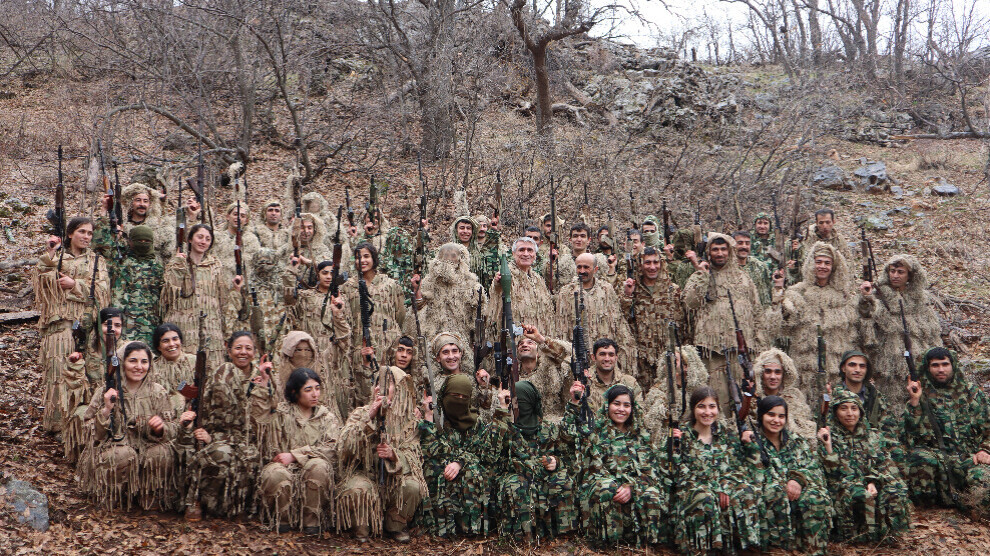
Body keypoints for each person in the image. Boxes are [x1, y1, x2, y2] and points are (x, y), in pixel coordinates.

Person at [77, 341, 182, 511]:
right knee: (122, 454)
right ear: (122, 362)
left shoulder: (158, 392)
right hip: (115, 449)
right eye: (133, 361)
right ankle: (111, 495)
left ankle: (149, 493)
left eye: (144, 362)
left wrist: (161, 428)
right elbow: (89, 432)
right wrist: (106, 410)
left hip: (148, 446)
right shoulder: (106, 391)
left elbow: (174, 427)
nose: (139, 367)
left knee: (162, 452)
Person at [34, 216, 110, 433]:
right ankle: (58, 426)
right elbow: (42, 285)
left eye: (89, 233)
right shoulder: (56, 257)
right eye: (82, 232)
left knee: (85, 377)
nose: (86, 237)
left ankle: (81, 426)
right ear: (70, 234)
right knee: (58, 375)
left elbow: (103, 292)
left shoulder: (97, 261)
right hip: (60, 327)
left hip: (87, 328)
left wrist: (74, 284)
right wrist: (50, 253)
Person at [183, 331, 269, 521]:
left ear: (255, 352)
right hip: (217, 436)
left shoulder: (262, 377)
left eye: (248, 348)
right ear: (229, 351)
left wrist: (264, 384)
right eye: (238, 348)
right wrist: (204, 433)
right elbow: (204, 411)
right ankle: (198, 501)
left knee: (250, 455)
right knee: (220, 453)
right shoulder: (219, 376)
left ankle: (239, 508)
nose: (243, 352)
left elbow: (265, 418)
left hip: (248, 438)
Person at [569, 384, 668, 547]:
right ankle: (607, 542)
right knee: (608, 487)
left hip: (633, 493)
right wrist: (574, 402)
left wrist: (632, 487)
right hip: (608, 495)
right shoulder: (595, 431)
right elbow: (591, 469)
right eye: (616, 404)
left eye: (626, 405)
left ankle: (647, 542)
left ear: (632, 408)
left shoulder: (640, 435)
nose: (621, 409)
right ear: (608, 405)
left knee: (653, 493)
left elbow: (651, 473)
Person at [337, 365, 426, 543]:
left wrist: (394, 455)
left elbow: (414, 455)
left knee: (413, 486)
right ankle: (362, 527)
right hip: (366, 476)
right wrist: (369, 417)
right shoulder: (361, 413)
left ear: (399, 389)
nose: (381, 388)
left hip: (394, 481)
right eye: (378, 383)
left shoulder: (410, 421)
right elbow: (343, 448)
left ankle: (395, 525)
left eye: (389, 384)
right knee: (357, 489)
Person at [671, 387, 762, 553]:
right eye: (701, 406)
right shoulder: (682, 437)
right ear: (693, 409)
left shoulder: (726, 435)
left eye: (712, 406)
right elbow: (679, 474)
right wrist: (673, 445)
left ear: (718, 409)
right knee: (706, 498)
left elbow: (738, 469)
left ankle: (745, 548)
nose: (707, 412)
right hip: (693, 493)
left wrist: (724, 487)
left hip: (724, 489)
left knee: (746, 491)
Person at [251, 366, 340, 535]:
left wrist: (295, 455)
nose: (315, 394)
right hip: (284, 467)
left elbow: (332, 449)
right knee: (276, 473)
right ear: (295, 392)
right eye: (308, 390)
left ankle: (312, 521)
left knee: (319, 467)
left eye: (317, 388)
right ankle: (282, 520)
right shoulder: (282, 413)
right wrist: (263, 386)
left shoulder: (326, 417)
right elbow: (259, 419)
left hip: (310, 468)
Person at [903, 347, 990, 517]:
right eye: (935, 365)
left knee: (984, 484)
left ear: (953, 365)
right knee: (919, 458)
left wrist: (985, 450)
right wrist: (914, 402)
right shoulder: (921, 394)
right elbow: (910, 434)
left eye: (945, 364)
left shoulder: (973, 393)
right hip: (939, 461)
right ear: (928, 368)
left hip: (970, 459)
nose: (941, 369)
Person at [418, 374, 509, 538]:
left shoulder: (475, 422)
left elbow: (483, 453)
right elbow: (430, 451)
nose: (459, 401)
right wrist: (429, 417)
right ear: (445, 395)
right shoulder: (438, 420)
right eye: (454, 396)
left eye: (464, 397)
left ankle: (472, 528)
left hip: (466, 474)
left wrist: (460, 462)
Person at [682, 233, 764, 413]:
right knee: (715, 399)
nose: (719, 253)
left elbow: (757, 311)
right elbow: (690, 303)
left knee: (744, 400)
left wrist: (760, 345)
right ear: (709, 252)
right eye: (715, 250)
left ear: (730, 251)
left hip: (740, 352)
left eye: (723, 249)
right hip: (712, 352)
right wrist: (702, 275)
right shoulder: (700, 276)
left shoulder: (744, 279)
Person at [817, 389, 911, 543]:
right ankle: (860, 536)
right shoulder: (828, 436)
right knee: (861, 494)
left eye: (854, 408)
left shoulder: (872, 436)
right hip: (842, 486)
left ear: (860, 412)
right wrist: (828, 447)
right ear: (835, 412)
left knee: (895, 490)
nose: (849, 413)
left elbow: (884, 464)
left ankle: (889, 534)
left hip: (871, 481)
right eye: (843, 408)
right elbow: (833, 474)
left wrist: (873, 481)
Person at [769, 242, 862, 390]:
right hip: (805, 366)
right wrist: (779, 291)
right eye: (818, 262)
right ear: (811, 264)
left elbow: (852, 332)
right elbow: (783, 323)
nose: (822, 266)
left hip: (835, 367)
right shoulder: (798, 292)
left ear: (833, 267)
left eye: (827, 263)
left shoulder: (842, 296)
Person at [497, 380, 577, 542]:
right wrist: (502, 411)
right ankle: (522, 536)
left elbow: (567, 458)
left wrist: (556, 462)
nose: (516, 406)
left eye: (519, 401)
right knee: (517, 483)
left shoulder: (547, 428)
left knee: (562, 479)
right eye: (512, 401)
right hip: (516, 474)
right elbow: (493, 453)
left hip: (543, 475)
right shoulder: (505, 427)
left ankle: (562, 534)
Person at [858, 254, 942, 407]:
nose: (895, 275)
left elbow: (931, 332)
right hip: (889, 363)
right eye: (892, 271)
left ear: (910, 275)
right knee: (891, 403)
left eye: (900, 272)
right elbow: (866, 323)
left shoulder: (919, 298)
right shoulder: (878, 296)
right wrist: (866, 299)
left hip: (917, 362)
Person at [753, 396, 831, 555]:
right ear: (761, 416)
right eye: (771, 415)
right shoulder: (753, 443)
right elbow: (754, 473)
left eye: (781, 416)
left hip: (799, 492)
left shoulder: (796, 441)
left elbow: (813, 468)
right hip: (770, 494)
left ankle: (814, 550)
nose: (776, 420)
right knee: (775, 495)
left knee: (816, 497)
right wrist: (783, 485)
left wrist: (797, 480)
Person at [160, 224, 235, 368]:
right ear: (190, 239)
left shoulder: (216, 266)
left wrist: (226, 332)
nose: (203, 242)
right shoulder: (176, 263)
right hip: (183, 327)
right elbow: (167, 297)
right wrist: (178, 265)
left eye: (207, 239)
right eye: (200, 237)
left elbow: (223, 301)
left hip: (211, 329)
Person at [341, 242, 405, 406]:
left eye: (366, 256)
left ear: (374, 258)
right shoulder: (348, 287)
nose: (362, 260)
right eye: (358, 257)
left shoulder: (389, 285)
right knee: (364, 390)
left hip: (388, 345)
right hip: (361, 347)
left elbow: (400, 315)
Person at [556, 252, 635, 376]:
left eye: (586, 267)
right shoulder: (566, 292)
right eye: (579, 267)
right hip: (577, 356)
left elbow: (618, 321)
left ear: (595, 269)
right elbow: (561, 327)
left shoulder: (606, 290)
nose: (582, 271)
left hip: (603, 356)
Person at [408, 243, 483, 371]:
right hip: (435, 338)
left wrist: (474, 340)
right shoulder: (429, 282)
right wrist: (417, 291)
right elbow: (420, 308)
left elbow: (478, 316)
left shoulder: (470, 284)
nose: (449, 261)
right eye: (445, 257)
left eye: (453, 257)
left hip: (462, 339)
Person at [63, 308, 124, 462]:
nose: (112, 329)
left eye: (117, 325)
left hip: (120, 403)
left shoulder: (127, 352)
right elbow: (75, 384)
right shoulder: (87, 349)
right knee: (80, 415)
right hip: (91, 402)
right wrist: (75, 364)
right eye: (107, 325)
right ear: (98, 326)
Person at [620, 246, 685, 389]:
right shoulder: (632, 290)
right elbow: (621, 320)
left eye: (656, 262)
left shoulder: (673, 291)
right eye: (647, 263)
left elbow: (683, 326)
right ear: (640, 265)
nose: (652, 267)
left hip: (668, 358)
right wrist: (627, 296)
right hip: (641, 360)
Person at [831, 350, 903, 460]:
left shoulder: (875, 397)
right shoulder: (833, 396)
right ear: (843, 368)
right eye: (852, 365)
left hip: (874, 447)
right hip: (843, 447)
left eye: (862, 366)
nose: (857, 370)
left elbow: (889, 429)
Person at [92, 180, 178, 264]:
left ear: (150, 204)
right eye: (138, 200)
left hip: (153, 270)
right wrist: (104, 211)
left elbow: (169, 255)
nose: (142, 204)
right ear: (131, 203)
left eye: (145, 201)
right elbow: (100, 245)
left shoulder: (160, 226)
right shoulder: (121, 226)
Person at [486, 237, 555, 338]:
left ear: (535, 255)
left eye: (530, 250)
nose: (526, 254)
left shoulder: (538, 279)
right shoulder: (506, 274)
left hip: (537, 337)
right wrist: (498, 283)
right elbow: (496, 291)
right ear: (513, 253)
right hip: (516, 338)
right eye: (521, 250)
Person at [641, 343, 709, 446]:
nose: (668, 364)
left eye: (674, 361)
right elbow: (649, 425)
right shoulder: (657, 391)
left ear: (686, 367)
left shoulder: (699, 393)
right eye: (667, 361)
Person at [109, 225, 163, 344]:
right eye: (139, 241)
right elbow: (117, 296)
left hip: (152, 325)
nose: (142, 244)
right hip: (127, 325)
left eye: (146, 241)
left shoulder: (158, 267)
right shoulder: (123, 264)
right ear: (131, 242)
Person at [751, 349, 818, 443]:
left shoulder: (794, 399)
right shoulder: (752, 401)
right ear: (761, 373)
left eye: (777, 372)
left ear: (783, 375)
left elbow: (805, 429)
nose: (773, 377)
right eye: (768, 371)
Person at [274, 331, 342, 420]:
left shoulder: (323, 372)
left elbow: (341, 343)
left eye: (307, 350)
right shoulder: (277, 382)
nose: (303, 354)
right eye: (298, 350)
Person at [511, 324, 571, 421]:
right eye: (521, 344)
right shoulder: (512, 376)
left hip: (551, 423)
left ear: (538, 353)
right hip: (523, 424)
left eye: (530, 343)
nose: (524, 345)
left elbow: (567, 354)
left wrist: (539, 339)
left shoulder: (550, 366)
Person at [567, 338, 639, 415]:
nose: (607, 359)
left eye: (611, 355)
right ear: (593, 357)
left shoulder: (629, 383)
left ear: (616, 358)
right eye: (602, 354)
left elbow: (639, 413)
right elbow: (571, 415)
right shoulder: (582, 381)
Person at [149, 323, 196, 416]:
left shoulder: (195, 361)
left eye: (175, 339)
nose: (171, 344)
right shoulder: (153, 369)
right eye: (165, 341)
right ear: (158, 346)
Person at [792, 208, 853, 279]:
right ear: (816, 223)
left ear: (833, 222)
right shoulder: (807, 238)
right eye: (821, 223)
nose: (824, 226)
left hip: (834, 277)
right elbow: (802, 261)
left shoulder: (839, 239)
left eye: (828, 222)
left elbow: (848, 261)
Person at [732, 231, 772, 307]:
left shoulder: (760, 266)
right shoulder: (728, 269)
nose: (744, 246)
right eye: (740, 243)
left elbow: (768, 292)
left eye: (747, 243)